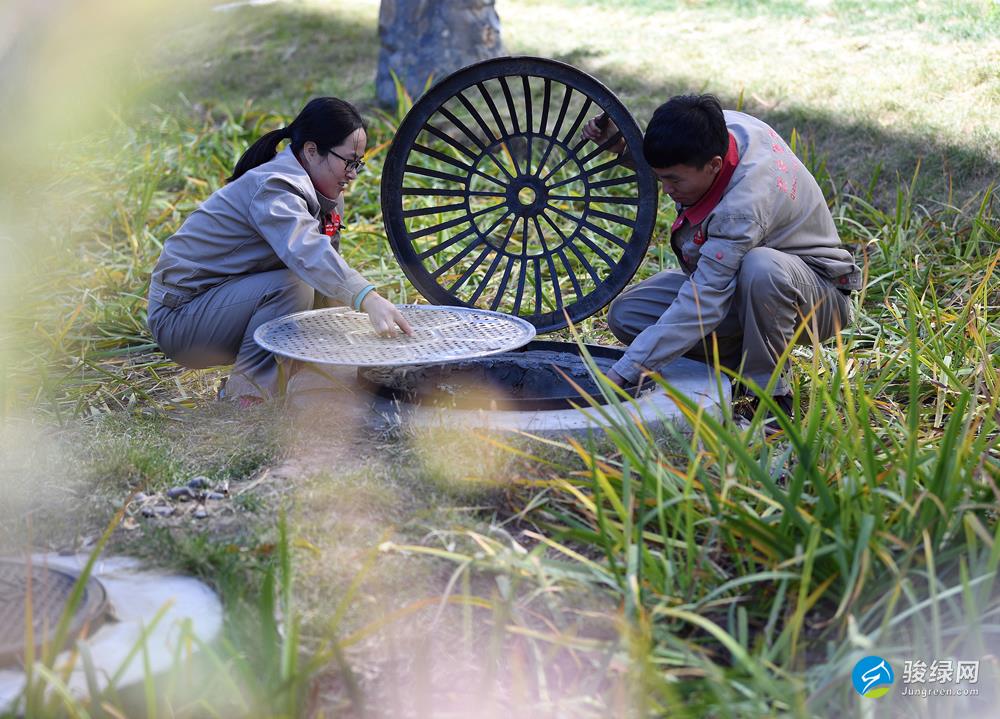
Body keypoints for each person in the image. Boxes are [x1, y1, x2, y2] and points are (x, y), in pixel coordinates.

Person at [582, 94, 860, 424]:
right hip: (744, 288)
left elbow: (705, 300)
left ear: (714, 165)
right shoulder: (723, 128)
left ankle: (771, 399)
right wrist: (625, 147)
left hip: (817, 297)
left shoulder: (742, 209)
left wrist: (624, 374)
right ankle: (740, 363)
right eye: (661, 178)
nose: (667, 189)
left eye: (674, 180)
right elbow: (682, 160)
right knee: (629, 315)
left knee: (761, 268)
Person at [147, 97, 413, 406]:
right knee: (291, 285)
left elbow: (327, 279)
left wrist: (359, 339)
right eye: (348, 162)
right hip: (181, 318)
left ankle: (290, 378)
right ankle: (246, 397)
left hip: (220, 305)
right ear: (312, 151)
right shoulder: (275, 187)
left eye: (359, 164)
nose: (353, 174)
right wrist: (368, 297)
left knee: (310, 288)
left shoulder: (325, 196)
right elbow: (307, 253)